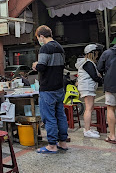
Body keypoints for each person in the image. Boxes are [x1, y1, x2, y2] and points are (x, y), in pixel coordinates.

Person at [32, 25, 68, 153]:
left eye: (38, 38)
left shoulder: (45, 48)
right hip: (59, 87)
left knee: (49, 117)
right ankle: (62, 142)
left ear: (41, 36)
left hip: (47, 88)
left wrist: (35, 65)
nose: (39, 41)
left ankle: (52, 145)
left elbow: (42, 66)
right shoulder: (60, 47)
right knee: (60, 115)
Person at [75, 44, 103, 138]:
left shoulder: (86, 62)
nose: (98, 55)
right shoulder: (88, 63)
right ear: (92, 53)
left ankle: (88, 129)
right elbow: (94, 76)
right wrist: (101, 79)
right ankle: (87, 130)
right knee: (88, 108)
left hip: (87, 87)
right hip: (87, 87)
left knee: (90, 108)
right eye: (96, 53)